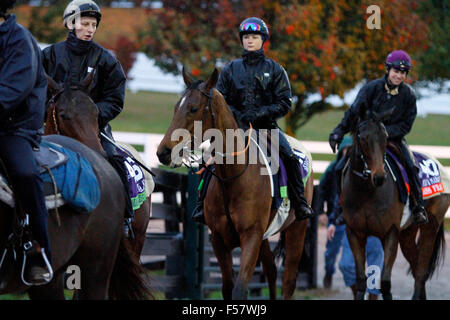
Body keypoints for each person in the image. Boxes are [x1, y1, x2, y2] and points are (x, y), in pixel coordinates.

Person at [192, 17, 313, 223]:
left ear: (262, 40)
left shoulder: (275, 70)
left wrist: (259, 114)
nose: (250, 41)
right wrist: (236, 115)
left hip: (267, 128)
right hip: (235, 129)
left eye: (254, 37)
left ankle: (300, 203)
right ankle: (200, 205)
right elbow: (219, 101)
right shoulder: (230, 69)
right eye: (246, 37)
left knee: (290, 157)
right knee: (209, 157)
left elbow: (284, 103)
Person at [42, 0, 133, 236]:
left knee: (114, 159)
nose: (90, 29)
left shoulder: (106, 60)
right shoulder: (48, 55)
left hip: (93, 128)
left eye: (93, 24)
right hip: (51, 124)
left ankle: (125, 218)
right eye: (85, 23)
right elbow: (34, 92)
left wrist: (88, 117)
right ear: (71, 23)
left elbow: (115, 98)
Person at [328, 50, 428, 225]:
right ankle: (339, 208)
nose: (399, 76)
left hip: (394, 139)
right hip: (367, 139)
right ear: (388, 70)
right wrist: (338, 132)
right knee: (338, 168)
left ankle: (418, 206)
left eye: (403, 73)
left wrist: (385, 133)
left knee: (411, 166)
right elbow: (353, 113)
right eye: (396, 71)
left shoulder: (409, 95)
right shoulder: (371, 88)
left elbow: (406, 125)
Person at [0, 0, 52, 284]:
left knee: (24, 172)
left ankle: (38, 248)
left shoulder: (18, 39)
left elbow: (11, 91)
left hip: (14, 128)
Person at [319, 137, 352, 289]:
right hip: (335, 216)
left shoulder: (360, 171)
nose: (349, 153)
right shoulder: (333, 169)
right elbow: (322, 190)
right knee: (330, 252)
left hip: (353, 219)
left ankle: (355, 282)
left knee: (353, 251)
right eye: (346, 150)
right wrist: (321, 211)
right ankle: (328, 272)